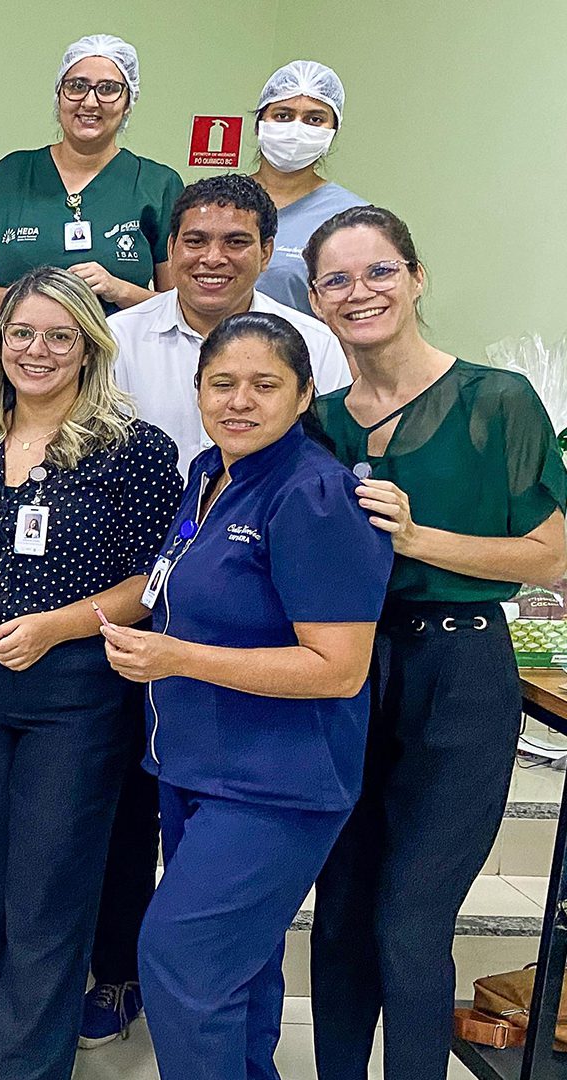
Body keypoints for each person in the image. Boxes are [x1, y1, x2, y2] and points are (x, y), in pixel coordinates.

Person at [305, 206, 567, 1080]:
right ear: (316, 298)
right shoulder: (322, 421)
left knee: (410, 918)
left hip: (458, 672)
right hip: (345, 675)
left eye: (379, 271)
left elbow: (554, 554)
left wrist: (422, 541)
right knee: (340, 910)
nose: (360, 292)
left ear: (417, 279)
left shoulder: (497, 400)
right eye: (337, 279)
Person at [102, 312, 393, 1080]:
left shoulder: (315, 496)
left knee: (181, 959)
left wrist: (178, 657)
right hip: (196, 766)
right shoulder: (209, 474)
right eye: (222, 384)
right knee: (244, 972)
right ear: (197, 390)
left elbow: (337, 667)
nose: (240, 401)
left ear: (304, 397)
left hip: (277, 781)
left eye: (265, 385)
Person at [0, 266, 180, 1080]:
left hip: (75, 692)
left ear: (88, 347)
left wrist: (55, 627)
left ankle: (26, 1065)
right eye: (22, 334)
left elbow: (151, 581)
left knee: (48, 891)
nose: (37, 351)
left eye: (59, 336)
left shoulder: (133, 448)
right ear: (0, 345)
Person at [112, 174, 354, 476]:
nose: (212, 258)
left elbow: (331, 460)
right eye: (196, 241)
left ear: (266, 253)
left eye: (235, 242)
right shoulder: (116, 340)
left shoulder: (315, 343)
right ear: (172, 247)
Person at [0, 34, 183, 319]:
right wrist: (32, 302)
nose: (90, 102)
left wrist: (119, 290)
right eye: (77, 86)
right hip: (14, 355)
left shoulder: (158, 185)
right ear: (59, 96)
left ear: (128, 101)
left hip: (115, 357)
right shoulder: (12, 174)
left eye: (108, 89)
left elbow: (179, 306)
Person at [250, 61, 365, 311]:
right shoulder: (217, 201)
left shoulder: (353, 218)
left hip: (306, 350)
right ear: (259, 123)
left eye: (314, 119)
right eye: (283, 115)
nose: (296, 128)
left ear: (333, 131)